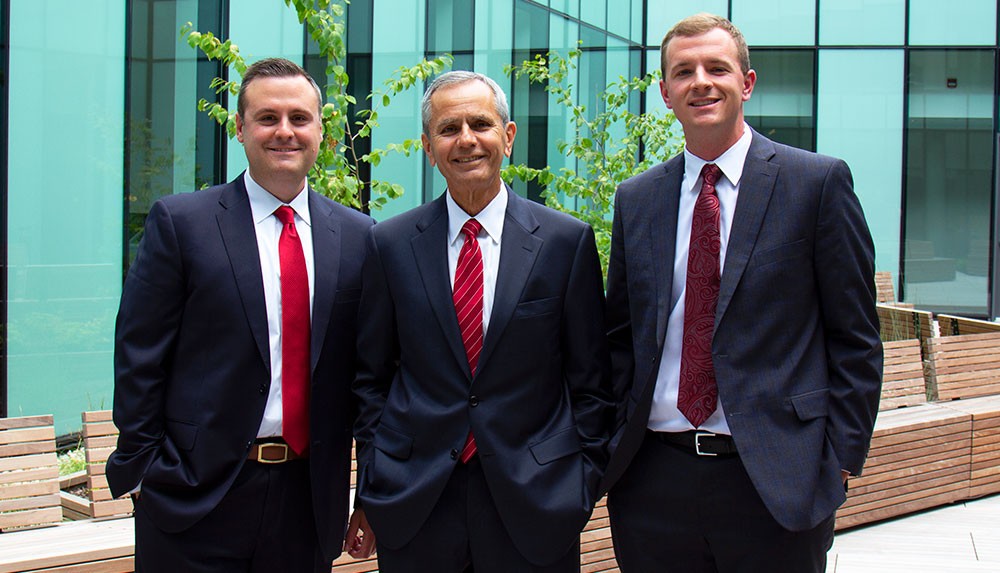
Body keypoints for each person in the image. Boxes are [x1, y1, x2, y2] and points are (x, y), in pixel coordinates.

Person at [601, 13, 883, 572]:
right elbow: (619, 339)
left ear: (746, 83)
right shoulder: (638, 198)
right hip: (652, 479)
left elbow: (855, 337)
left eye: (717, 68)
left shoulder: (816, 184)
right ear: (665, 93)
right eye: (684, 72)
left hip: (776, 482)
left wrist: (838, 461)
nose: (700, 82)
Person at [106, 57, 374, 572]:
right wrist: (144, 473)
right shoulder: (182, 224)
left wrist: (370, 493)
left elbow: (369, 377)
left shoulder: (359, 237)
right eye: (267, 117)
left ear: (321, 131)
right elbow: (139, 357)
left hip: (307, 502)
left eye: (299, 118)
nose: (284, 131)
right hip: (193, 497)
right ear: (239, 128)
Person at [347, 71, 614, 573]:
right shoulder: (389, 245)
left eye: (480, 124)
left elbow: (592, 382)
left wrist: (580, 482)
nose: (466, 139)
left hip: (536, 503)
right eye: (449, 129)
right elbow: (371, 378)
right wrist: (378, 477)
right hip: (417, 502)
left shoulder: (565, 242)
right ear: (429, 148)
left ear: (508, 137)